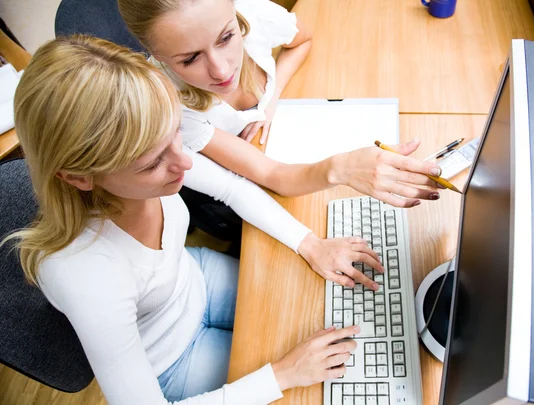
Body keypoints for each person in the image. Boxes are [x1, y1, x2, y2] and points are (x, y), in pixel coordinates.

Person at [4, 35, 377, 404]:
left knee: (316, 306)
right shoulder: (84, 272)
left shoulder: (152, 147)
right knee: (314, 381)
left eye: (176, 134)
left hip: (194, 277)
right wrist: (282, 374)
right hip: (174, 356)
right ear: (79, 177)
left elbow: (233, 188)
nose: (184, 163)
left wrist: (312, 244)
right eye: (152, 163)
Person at [117, 0, 443, 245]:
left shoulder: (254, 14)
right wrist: (341, 169)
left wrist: (270, 100)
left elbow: (303, 41)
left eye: (227, 37)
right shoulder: (170, 107)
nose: (220, 70)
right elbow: (268, 175)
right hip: (230, 184)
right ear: (156, 55)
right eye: (190, 58)